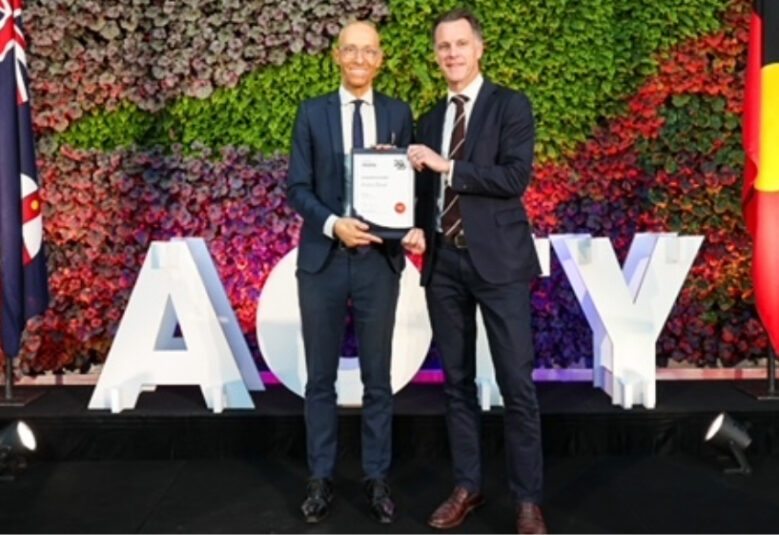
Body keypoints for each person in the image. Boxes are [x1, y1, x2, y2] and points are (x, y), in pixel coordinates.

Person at [407, 8, 547, 534]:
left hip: (500, 264)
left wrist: (448, 166)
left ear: (479, 48)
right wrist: (417, 227)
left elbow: (514, 178)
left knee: (517, 385)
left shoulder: (511, 105)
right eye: (444, 46)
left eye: (461, 44)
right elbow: (423, 194)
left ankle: (528, 500)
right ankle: (468, 487)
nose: (452, 54)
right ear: (436, 54)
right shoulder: (428, 119)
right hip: (444, 263)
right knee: (457, 384)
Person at [287, 20, 422, 525]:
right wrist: (333, 224)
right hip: (323, 259)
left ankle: (376, 477)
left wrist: (409, 224)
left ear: (380, 58)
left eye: (369, 50)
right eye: (351, 50)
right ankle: (320, 478)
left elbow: (410, 187)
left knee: (377, 379)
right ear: (337, 56)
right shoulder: (311, 112)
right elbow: (297, 188)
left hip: (378, 262)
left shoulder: (398, 114)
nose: (360, 58)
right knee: (319, 378)